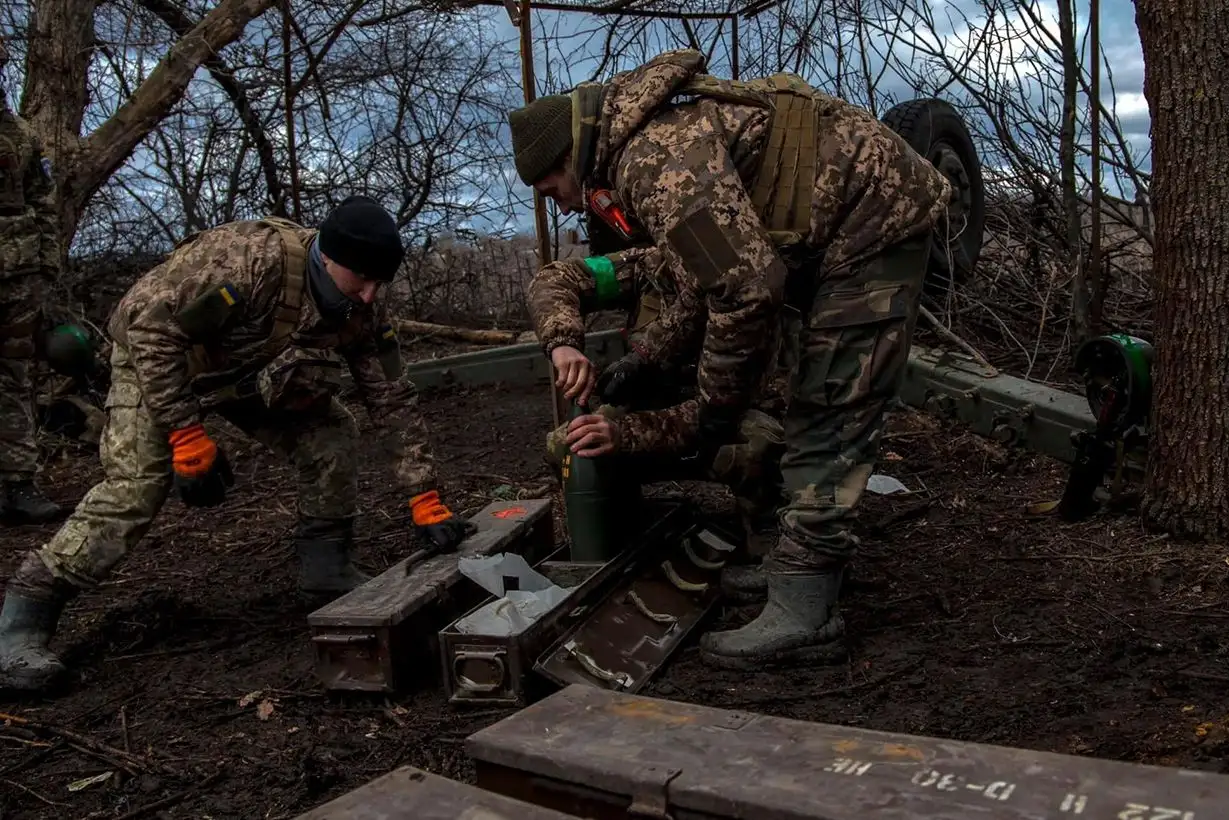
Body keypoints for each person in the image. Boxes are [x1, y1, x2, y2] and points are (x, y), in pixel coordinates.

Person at [506, 49, 953, 670]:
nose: (558, 204)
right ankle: (794, 568)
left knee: (831, 405)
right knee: (814, 403)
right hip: (839, 227)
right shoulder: (646, 144)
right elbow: (703, 277)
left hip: (875, 222)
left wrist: (711, 414)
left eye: (550, 187)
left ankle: (806, 610)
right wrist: (647, 359)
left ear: (565, 158)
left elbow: (747, 292)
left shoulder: (650, 159)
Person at [0, 196, 474, 691]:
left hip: (240, 372)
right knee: (137, 485)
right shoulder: (250, 259)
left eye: (382, 284)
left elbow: (391, 397)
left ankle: (326, 568)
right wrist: (186, 435)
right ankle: (27, 614)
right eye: (363, 281)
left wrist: (425, 497)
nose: (372, 296)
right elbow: (150, 332)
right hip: (157, 362)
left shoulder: (363, 303)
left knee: (331, 435)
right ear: (329, 258)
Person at [529, 244, 787, 560]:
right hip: (648, 414)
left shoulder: (753, 281)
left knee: (759, 443)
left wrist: (626, 433)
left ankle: (769, 547)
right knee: (570, 444)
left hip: (722, 423)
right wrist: (563, 343)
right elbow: (556, 277)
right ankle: (626, 535)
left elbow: (727, 405)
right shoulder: (648, 267)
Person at [0, 39, 65, 526]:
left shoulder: (20, 136)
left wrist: (46, 271)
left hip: (16, 282)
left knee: (13, 380)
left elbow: (43, 203)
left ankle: (18, 484)